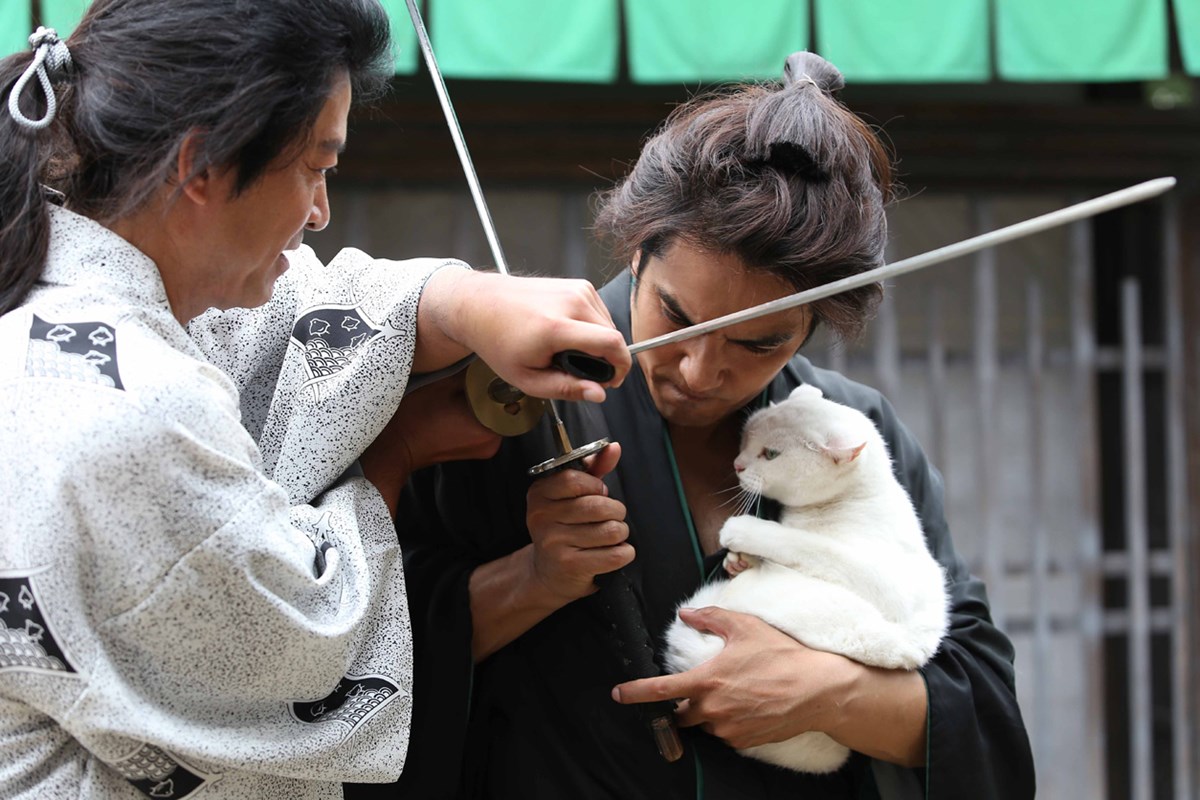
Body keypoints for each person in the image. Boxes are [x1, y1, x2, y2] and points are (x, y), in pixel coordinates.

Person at [0, 2, 630, 798]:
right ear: (201, 167)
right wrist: (392, 457)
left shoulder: (74, 287)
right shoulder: (118, 412)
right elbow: (300, 650)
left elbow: (301, 311)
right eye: (315, 167)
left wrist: (467, 302)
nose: (321, 211)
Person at [384, 52, 1035, 799]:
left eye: (758, 344)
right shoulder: (499, 399)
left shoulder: (853, 434)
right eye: (676, 317)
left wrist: (830, 694)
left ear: (814, 324)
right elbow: (343, 647)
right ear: (639, 249)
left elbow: (982, 710)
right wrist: (534, 579)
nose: (698, 372)